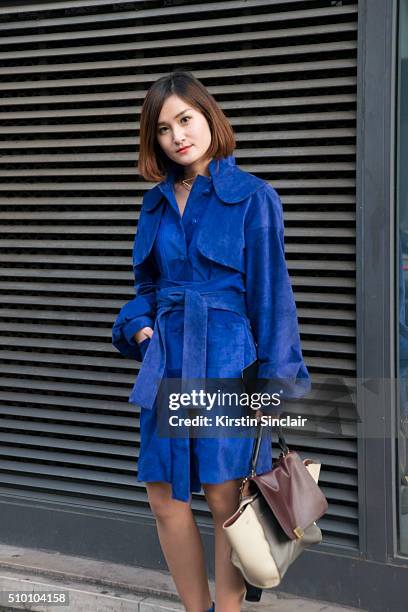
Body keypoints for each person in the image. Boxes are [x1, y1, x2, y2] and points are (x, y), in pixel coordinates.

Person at [112, 70, 311, 612]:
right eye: (162, 128)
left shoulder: (253, 197)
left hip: (228, 357)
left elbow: (273, 299)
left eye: (185, 119)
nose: (177, 135)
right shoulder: (153, 205)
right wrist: (139, 323)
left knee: (229, 498)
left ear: (207, 117)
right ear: (152, 140)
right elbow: (145, 288)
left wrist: (273, 388)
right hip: (168, 360)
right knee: (164, 497)